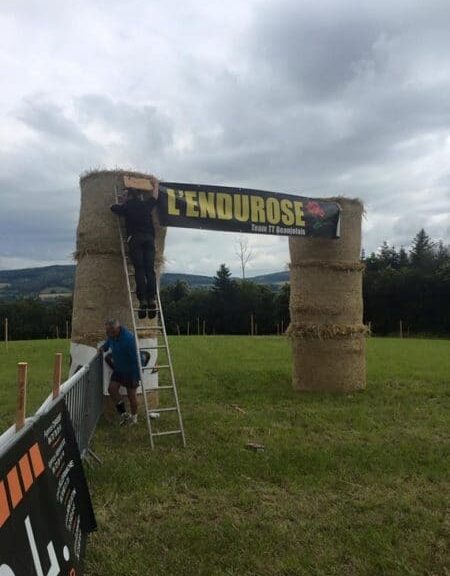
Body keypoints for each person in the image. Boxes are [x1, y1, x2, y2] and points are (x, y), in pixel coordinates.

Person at [111, 182, 158, 319]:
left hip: (136, 240)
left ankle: (143, 301)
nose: (123, 197)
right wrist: (156, 185)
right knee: (150, 270)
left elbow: (113, 208)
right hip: (149, 239)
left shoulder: (127, 207)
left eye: (125, 195)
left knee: (140, 269)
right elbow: (155, 197)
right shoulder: (145, 205)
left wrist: (120, 202)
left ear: (129, 196)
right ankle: (152, 299)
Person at [100, 319, 140, 425]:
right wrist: (102, 348)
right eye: (107, 332)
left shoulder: (129, 339)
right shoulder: (112, 335)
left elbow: (136, 358)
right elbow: (107, 345)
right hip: (119, 369)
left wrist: (136, 375)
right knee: (112, 389)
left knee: (131, 396)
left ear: (116, 329)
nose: (108, 334)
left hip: (131, 370)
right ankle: (124, 414)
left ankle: (134, 419)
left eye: (110, 332)